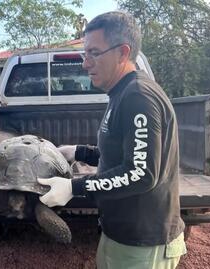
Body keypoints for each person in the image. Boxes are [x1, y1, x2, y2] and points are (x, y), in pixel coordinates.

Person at [38, 11, 187, 268]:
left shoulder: (138, 96)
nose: (86, 64)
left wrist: (76, 188)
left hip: (143, 241)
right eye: (85, 54)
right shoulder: (121, 93)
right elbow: (121, 155)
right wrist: (79, 152)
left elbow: (141, 173)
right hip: (119, 233)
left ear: (123, 52)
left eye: (94, 53)